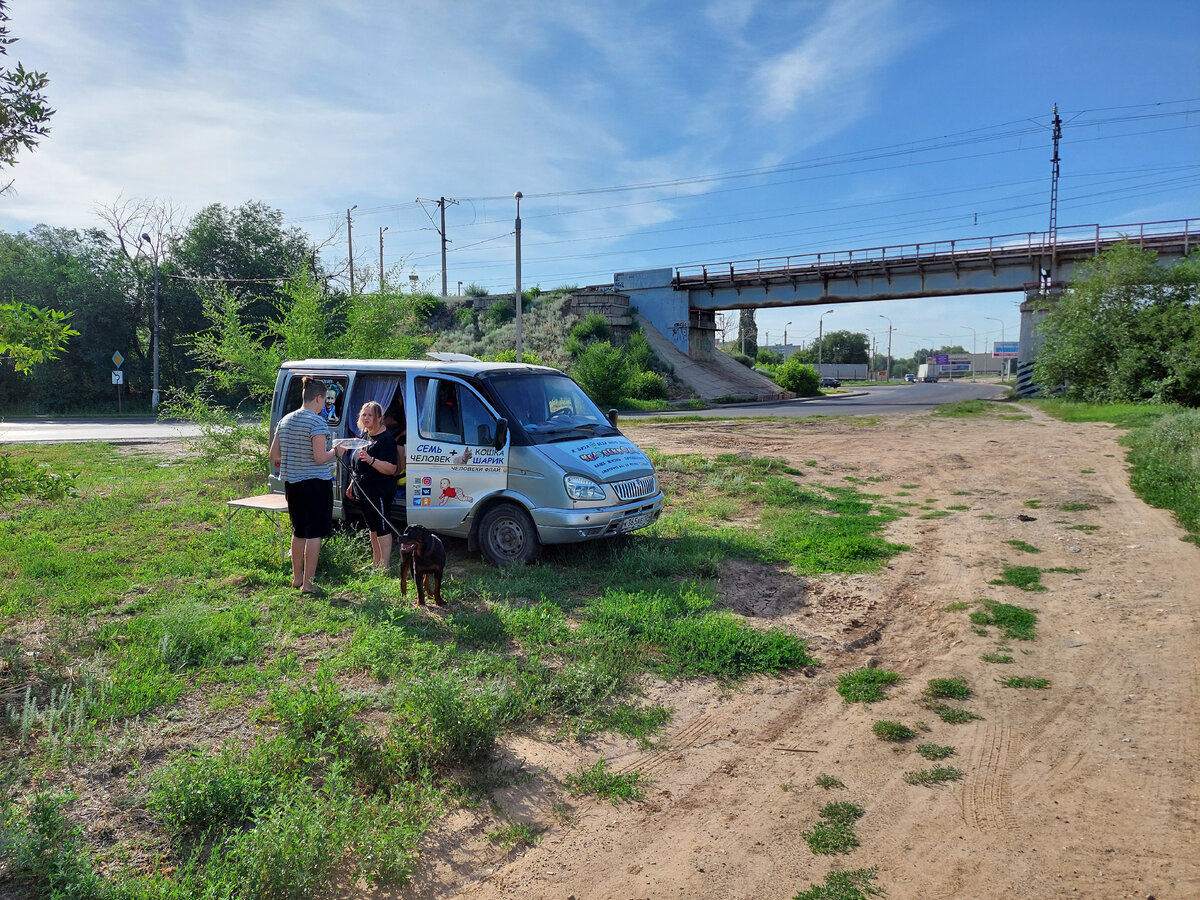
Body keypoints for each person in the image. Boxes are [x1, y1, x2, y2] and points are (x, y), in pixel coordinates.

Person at [269, 377, 336, 594]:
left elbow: (274, 455)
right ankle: (308, 583)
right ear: (318, 398)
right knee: (314, 533)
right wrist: (337, 451)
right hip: (315, 484)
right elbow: (319, 458)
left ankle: (296, 577)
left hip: (293, 484)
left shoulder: (285, 420)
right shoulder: (317, 422)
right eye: (324, 400)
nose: (325, 404)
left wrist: (295, 455)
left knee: (298, 532)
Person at [350, 401, 400, 571]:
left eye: (370, 415)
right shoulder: (366, 434)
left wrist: (372, 461)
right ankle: (376, 561)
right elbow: (358, 461)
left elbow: (391, 468)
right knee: (372, 525)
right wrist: (352, 483)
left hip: (379, 490)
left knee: (382, 525)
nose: (366, 418)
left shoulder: (386, 439)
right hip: (364, 488)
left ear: (380, 418)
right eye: (363, 414)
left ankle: (385, 566)